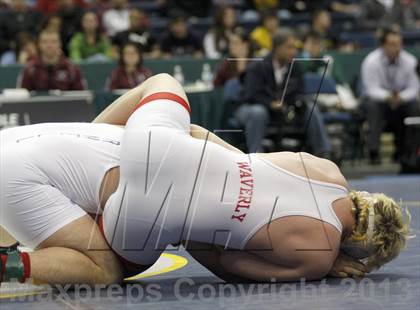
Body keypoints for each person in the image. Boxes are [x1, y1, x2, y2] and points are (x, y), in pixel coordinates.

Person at [0, 74, 411, 285]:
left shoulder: (329, 172)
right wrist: (185, 220)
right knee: (106, 268)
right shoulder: (317, 258)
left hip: (155, 143)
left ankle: (96, 137)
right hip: (138, 216)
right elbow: (228, 261)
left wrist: (196, 160)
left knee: (163, 86)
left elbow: (247, 159)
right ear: (357, 250)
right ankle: (10, 263)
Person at [238, 30, 332, 156]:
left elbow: (299, 92)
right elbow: (250, 94)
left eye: (294, 47)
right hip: (251, 108)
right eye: (289, 47)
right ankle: (255, 156)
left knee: (310, 107)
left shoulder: (295, 67)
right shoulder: (258, 66)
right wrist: (270, 103)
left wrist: (295, 102)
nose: (293, 51)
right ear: (277, 48)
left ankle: (323, 153)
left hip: (283, 109)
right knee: (258, 112)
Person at [361, 28, 420, 164]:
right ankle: (374, 152)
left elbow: (414, 87)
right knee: (372, 105)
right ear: (383, 45)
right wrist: (388, 97)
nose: (397, 48)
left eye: (399, 44)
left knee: (414, 106)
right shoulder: (371, 61)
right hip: (380, 102)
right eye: (393, 44)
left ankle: (408, 152)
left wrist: (401, 97)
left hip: (402, 101)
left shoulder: (410, 61)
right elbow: (371, 89)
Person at [18, 30, 86, 91]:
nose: (49, 45)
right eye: (45, 42)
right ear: (39, 45)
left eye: (53, 42)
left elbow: (80, 96)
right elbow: (23, 95)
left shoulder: (71, 68)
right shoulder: (30, 69)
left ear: (60, 44)